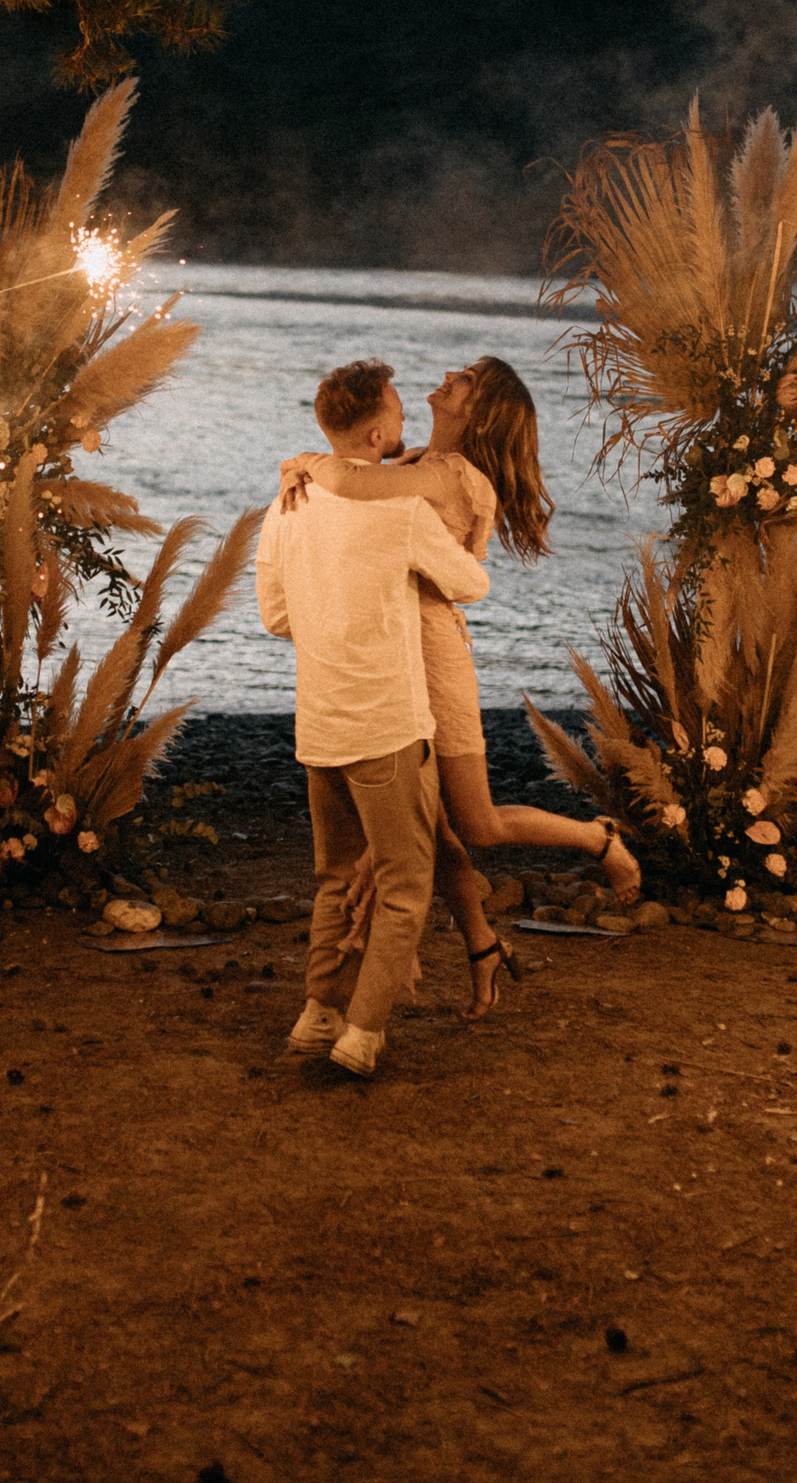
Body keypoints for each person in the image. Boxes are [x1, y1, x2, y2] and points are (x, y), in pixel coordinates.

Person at [277, 356, 638, 1018]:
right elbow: (355, 486)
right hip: (390, 648)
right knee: (435, 830)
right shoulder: (415, 460)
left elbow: (351, 484)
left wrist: (304, 461)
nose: (449, 375)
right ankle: (481, 946)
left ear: (479, 410)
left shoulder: (450, 476)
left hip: (432, 657)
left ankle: (598, 837)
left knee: (475, 822)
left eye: (466, 378)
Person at [258, 360, 493, 1076]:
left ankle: (319, 1011)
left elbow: (275, 616)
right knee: (404, 886)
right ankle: (362, 1033)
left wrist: (331, 618)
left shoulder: (287, 503)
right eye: (396, 412)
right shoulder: (401, 510)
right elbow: (471, 585)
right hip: (388, 724)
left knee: (336, 877)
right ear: (375, 433)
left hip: (319, 724)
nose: (403, 419)